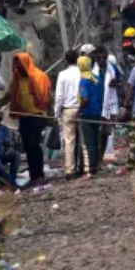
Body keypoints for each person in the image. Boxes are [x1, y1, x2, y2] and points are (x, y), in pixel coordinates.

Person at [6, 52, 51, 184]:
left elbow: (47, 95)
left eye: (20, 64)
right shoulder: (17, 80)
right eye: (16, 64)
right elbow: (10, 95)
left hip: (37, 116)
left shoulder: (39, 76)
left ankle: (39, 174)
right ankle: (33, 175)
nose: (18, 67)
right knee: (27, 145)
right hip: (24, 117)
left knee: (34, 144)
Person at [54, 49, 82, 177]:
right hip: (82, 108)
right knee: (84, 140)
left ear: (66, 60)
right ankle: (86, 167)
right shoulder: (83, 72)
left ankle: (69, 170)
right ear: (77, 59)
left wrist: (56, 112)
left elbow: (59, 96)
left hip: (68, 110)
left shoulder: (62, 74)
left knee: (69, 140)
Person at [77, 56, 105, 177]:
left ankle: (92, 167)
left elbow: (85, 98)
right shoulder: (98, 79)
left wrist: (79, 110)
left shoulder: (83, 80)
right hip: (97, 112)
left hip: (87, 113)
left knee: (89, 142)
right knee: (96, 140)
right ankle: (96, 164)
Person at [0, 111, 22, 190]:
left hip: (0, 153)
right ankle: (7, 180)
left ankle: (12, 178)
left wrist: (7, 148)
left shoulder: (3, 129)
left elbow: (7, 143)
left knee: (16, 155)